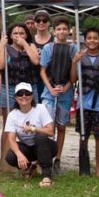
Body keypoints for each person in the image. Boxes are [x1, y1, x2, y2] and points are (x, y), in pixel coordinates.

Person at [70, 27, 99, 176]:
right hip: (83, 103)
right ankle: (84, 165)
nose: (92, 41)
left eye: (95, 38)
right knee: (84, 135)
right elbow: (73, 79)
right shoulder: (80, 57)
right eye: (89, 38)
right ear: (85, 40)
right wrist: (74, 62)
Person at [39, 16, 77, 176]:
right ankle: (45, 158)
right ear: (54, 31)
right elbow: (42, 71)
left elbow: (74, 76)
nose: (62, 32)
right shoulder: (48, 48)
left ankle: (58, 159)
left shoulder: (73, 48)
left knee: (61, 126)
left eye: (64, 29)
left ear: (69, 31)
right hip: (49, 93)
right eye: (59, 29)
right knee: (48, 126)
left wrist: (66, 87)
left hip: (65, 94)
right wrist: (51, 88)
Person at [4, 82, 57, 188]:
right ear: (15, 98)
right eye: (20, 93)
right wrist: (19, 155)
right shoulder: (12, 115)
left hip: (45, 146)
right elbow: (11, 139)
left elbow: (51, 131)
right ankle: (29, 167)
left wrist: (33, 129)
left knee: (40, 137)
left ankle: (46, 175)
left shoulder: (40, 108)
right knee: (10, 156)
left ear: (32, 96)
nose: (24, 96)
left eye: (27, 93)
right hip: (27, 147)